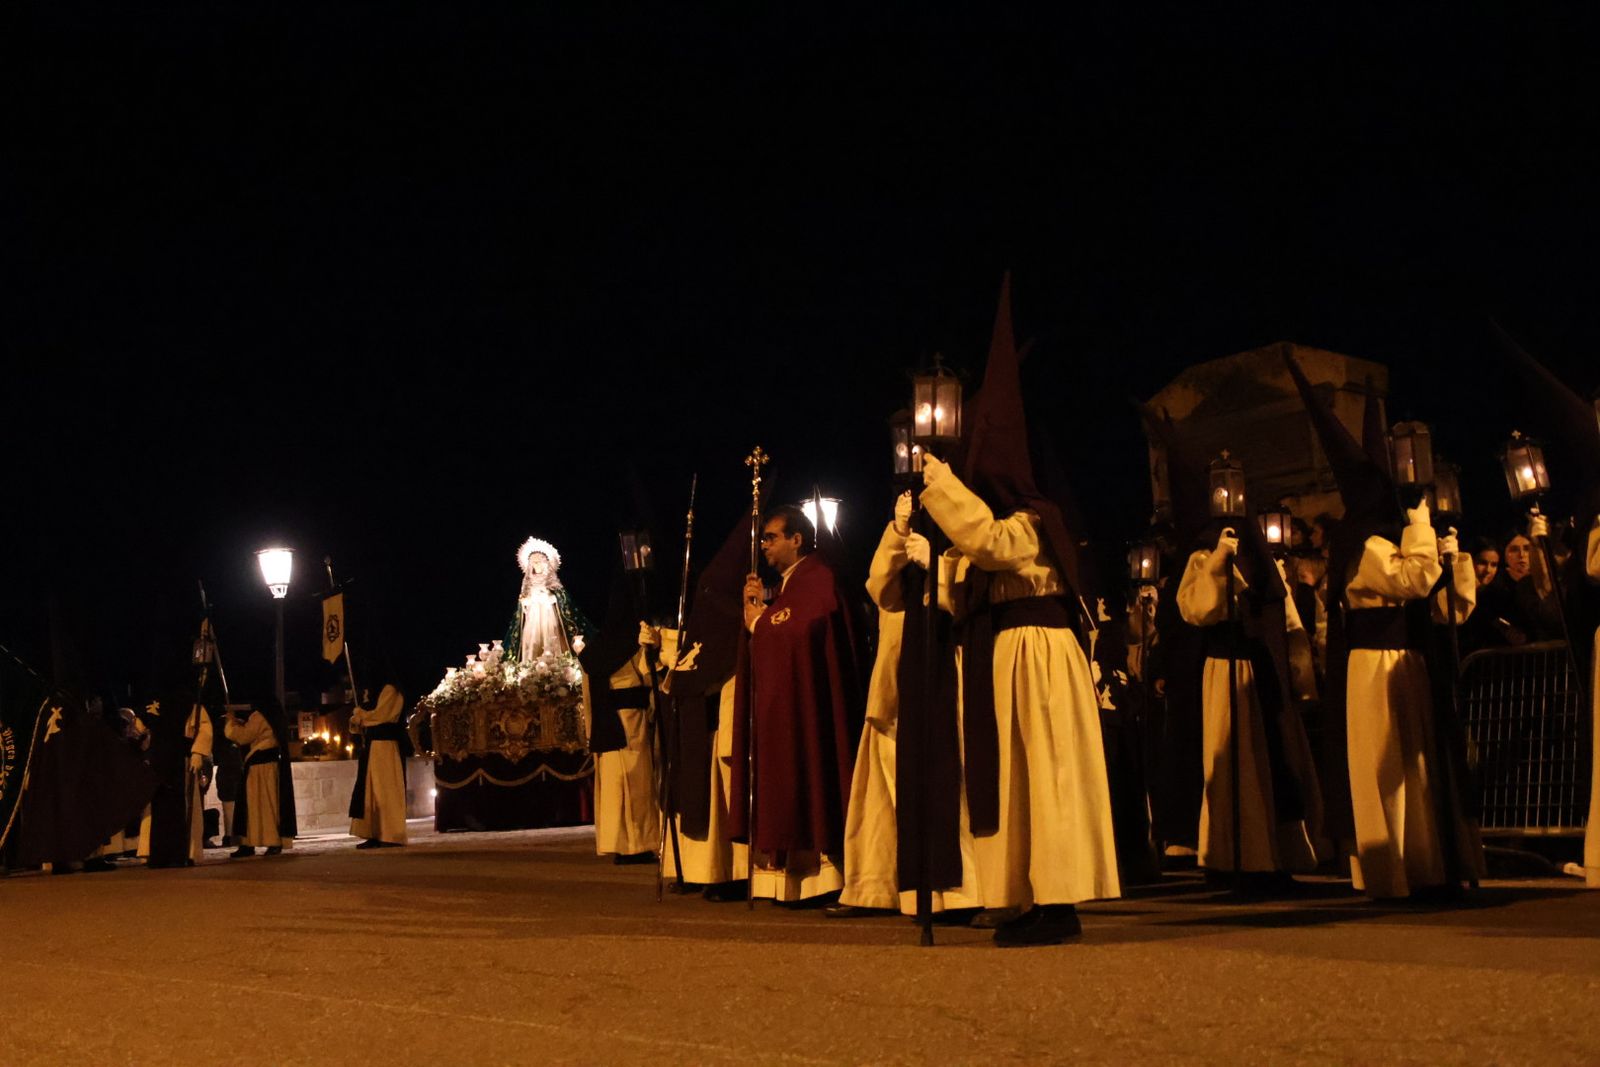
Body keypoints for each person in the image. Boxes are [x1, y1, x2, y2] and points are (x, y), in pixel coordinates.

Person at [914, 278, 1119, 945]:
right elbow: (960, 574)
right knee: (1012, 777)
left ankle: (1058, 899)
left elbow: (990, 541)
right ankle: (1023, 892)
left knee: (1044, 771)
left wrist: (940, 484)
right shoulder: (1000, 523)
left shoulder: (1037, 519)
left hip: (1037, 648)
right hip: (1004, 649)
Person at [1288, 353, 1482, 899]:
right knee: (1386, 767)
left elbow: (1447, 607)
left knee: (1423, 771)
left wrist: (1454, 555)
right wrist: (1422, 525)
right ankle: (1394, 869)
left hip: (1410, 662)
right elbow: (1414, 582)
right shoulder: (1366, 544)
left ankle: (1432, 862)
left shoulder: (1388, 538)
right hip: (1375, 668)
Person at [830, 490, 982, 918]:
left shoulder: (962, 538)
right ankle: (876, 887)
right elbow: (880, 589)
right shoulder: (902, 537)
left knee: (949, 781)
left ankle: (955, 893)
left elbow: (965, 601)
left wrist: (938, 565)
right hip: (897, 675)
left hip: (942, 674)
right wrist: (898, 533)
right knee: (883, 789)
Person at [729, 503, 863, 904]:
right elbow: (786, 622)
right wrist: (762, 611)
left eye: (771, 537)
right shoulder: (792, 583)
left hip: (815, 709)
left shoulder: (817, 576)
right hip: (793, 702)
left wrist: (759, 622)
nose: (764, 546)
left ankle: (821, 874)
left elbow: (803, 625)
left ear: (796, 539)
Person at [580, 564, 661, 865]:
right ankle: (637, 846)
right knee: (636, 786)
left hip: (606, 724)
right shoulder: (632, 643)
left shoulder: (593, 650)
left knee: (615, 787)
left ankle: (620, 844)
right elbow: (648, 679)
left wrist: (591, 732)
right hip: (631, 722)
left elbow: (588, 697)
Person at [224, 706, 294, 857]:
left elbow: (243, 736)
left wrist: (231, 723)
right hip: (269, 766)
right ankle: (261, 842)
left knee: (257, 805)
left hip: (259, 768)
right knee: (266, 805)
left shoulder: (259, 715)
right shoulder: (273, 713)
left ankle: (261, 842)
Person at [349, 684, 410, 849]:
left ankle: (391, 834)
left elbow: (381, 716)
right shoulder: (376, 691)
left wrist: (360, 715)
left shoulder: (391, 689)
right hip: (373, 745)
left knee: (386, 790)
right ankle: (375, 832)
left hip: (386, 746)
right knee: (372, 791)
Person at [507, 537, 586, 662]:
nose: (536, 565)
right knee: (532, 640)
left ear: (545, 563)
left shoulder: (551, 581)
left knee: (551, 637)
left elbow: (561, 598)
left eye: (539, 562)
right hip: (533, 615)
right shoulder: (528, 582)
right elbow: (524, 600)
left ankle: (554, 665)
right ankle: (530, 665)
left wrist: (549, 596)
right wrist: (525, 600)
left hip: (548, 613)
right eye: (534, 562)